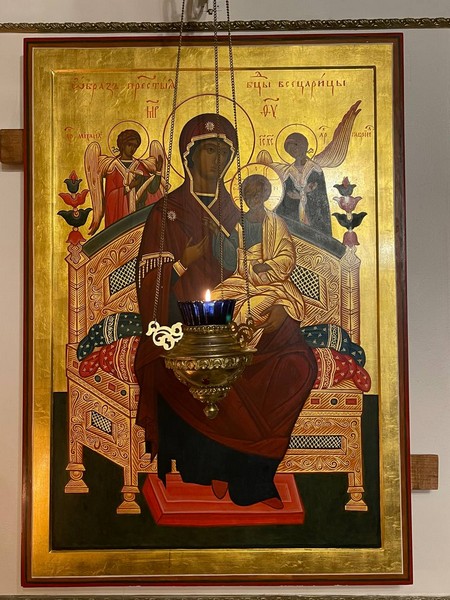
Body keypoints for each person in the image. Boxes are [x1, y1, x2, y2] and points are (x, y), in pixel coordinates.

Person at [135, 113, 317, 509]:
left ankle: (252, 472)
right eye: (210, 150)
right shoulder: (167, 212)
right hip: (182, 322)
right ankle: (223, 473)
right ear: (190, 155)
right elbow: (150, 287)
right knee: (190, 366)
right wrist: (182, 262)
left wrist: (281, 312)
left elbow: (266, 266)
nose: (218, 159)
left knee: (299, 361)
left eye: (224, 152)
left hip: (239, 317)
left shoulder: (239, 214)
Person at [211, 173, 305, 347]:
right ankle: (218, 349)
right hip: (243, 279)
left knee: (247, 309)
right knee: (215, 300)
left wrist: (267, 265)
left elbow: (288, 256)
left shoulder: (276, 223)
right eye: (248, 195)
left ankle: (239, 350)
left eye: (256, 195)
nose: (252, 199)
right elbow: (231, 259)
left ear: (265, 195)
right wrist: (219, 236)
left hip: (272, 283)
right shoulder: (240, 224)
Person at [85, 128, 164, 235]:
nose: (132, 149)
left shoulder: (139, 165)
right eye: (129, 145)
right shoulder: (113, 167)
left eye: (135, 146)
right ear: (122, 145)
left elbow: (152, 189)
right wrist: (128, 188)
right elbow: (110, 197)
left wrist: (158, 172)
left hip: (138, 216)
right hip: (120, 217)